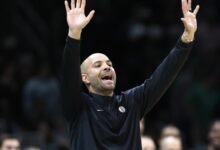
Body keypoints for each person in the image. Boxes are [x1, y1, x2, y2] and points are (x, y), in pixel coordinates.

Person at [60, 0, 200, 149]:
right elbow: (69, 74)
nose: (107, 67)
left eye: (109, 64)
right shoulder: (78, 106)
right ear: (85, 78)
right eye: (97, 65)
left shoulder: (131, 102)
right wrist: (74, 34)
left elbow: (164, 75)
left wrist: (187, 36)